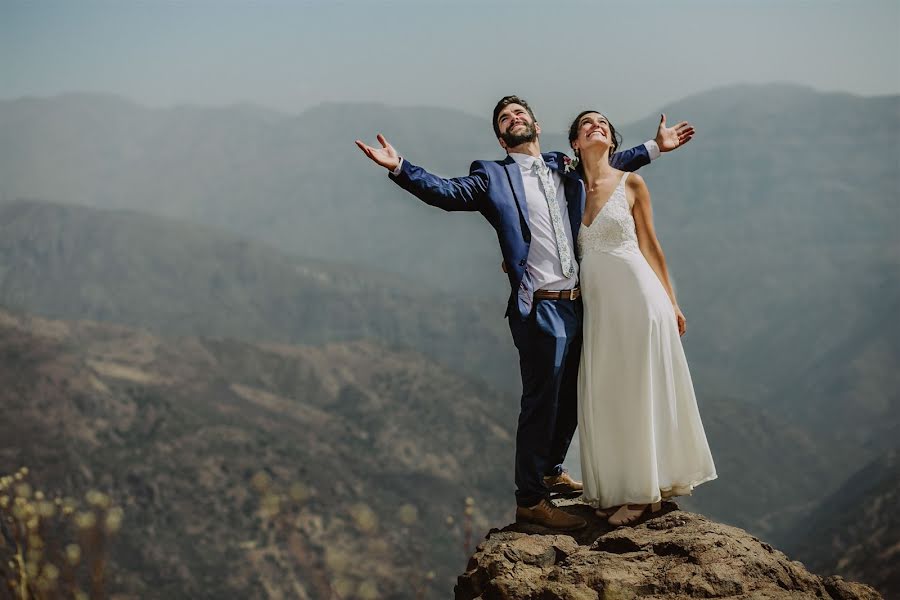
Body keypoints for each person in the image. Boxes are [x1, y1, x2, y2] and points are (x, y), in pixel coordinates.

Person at [356, 96, 694, 531]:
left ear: (535, 124)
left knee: (574, 392)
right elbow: (444, 192)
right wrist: (400, 166)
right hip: (540, 307)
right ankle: (531, 499)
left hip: (582, 301)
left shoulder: (563, 167)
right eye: (504, 117)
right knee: (541, 401)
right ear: (501, 136)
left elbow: (604, 165)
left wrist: (654, 147)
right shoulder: (491, 177)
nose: (513, 118)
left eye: (519, 113)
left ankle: (552, 469)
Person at [568, 109, 717, 526]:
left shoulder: (631, 182)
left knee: (639, 387)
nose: (595, 126)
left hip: (639, 298)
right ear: (576, 144)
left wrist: (672, 301)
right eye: (585, 125)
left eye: (602, 124)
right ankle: (619, 486)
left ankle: (642, 493)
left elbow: (652, 247)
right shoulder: (569, 189)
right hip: (601, 309)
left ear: (612, 142)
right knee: (608, 389)